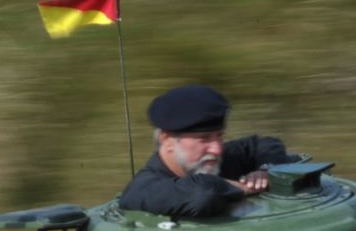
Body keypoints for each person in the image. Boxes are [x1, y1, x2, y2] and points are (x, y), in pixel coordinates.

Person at [117, 85, 301, 219]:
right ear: (167, 140)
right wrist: (238, 187)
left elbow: (264, 144)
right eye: (204, 139)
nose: (218, 148)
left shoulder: (211, 160)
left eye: (219, 136)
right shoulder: (144, 188)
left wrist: (266, 170)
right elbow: (201, 195)